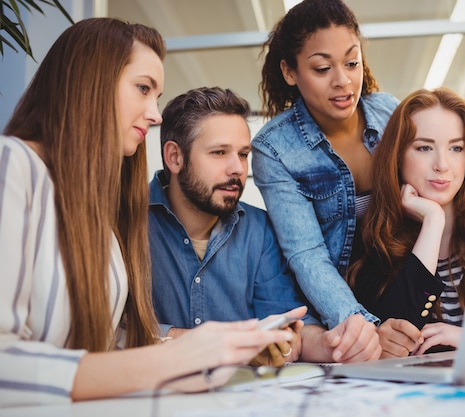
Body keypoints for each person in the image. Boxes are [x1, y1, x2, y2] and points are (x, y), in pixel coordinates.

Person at [0, 18, 293, 407]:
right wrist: (171, 357)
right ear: (91, 82)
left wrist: (205, 349)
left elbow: (104, 345)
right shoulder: (12, 163)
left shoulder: (96, 211)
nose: (155, 114)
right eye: (143, 89)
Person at [150, 86, 379, 365]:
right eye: (220, 153)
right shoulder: (124, 227)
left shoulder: (260, 230)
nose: (237, 169)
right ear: (175, 157)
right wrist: (207, 344)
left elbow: (290, 328)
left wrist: (333, 344)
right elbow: (113, 330)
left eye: (243, 154)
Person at [250, 0, 398, 360]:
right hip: (335, 306)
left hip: (402, 285)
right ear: (289, 72)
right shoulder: (274, 148)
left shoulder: (392, 112)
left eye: (352, 62)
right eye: (321, 68)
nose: (343, 81)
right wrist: (359, 324)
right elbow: (307, 254)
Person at [347, 87, 465, 358]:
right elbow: (400, 341)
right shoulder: (372, 242)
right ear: (398, 155)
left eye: (456, 148)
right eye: (424, 147)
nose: (442, 164)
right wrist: (433, 221)